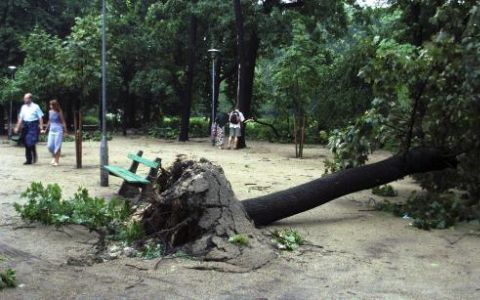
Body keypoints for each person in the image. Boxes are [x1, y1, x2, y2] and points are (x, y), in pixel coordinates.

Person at [14, 93, 44, 165]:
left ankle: (32, 154)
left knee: (30, 142)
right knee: (26, 142)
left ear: (30, 99)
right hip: (26, 125)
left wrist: (41, 127)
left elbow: (40, 117)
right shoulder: (23, 107)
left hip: (33, 124)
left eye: (26, 98)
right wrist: (17, 127)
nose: (24, 100)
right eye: (24, 98)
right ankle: (29, 159)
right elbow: (21, 118)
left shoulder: (36, 106)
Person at [42, 99, 67, 166]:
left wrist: (65, 131)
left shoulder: (59, 112)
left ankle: (56, 161)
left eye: (52, 105)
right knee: (50, 146)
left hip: (58, 130)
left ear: (56, 105)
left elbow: (63, 121)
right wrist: (45, 129)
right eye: (50, 105)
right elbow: (49, 121)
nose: (51, 106)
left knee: (57, 145)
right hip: (51, 130)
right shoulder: (50, 112)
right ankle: (54, 156)